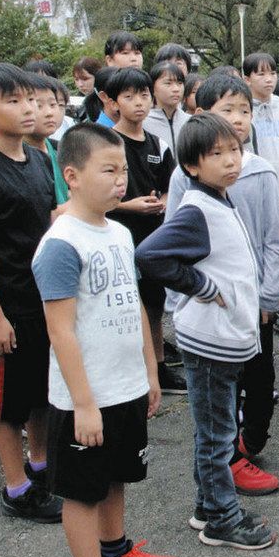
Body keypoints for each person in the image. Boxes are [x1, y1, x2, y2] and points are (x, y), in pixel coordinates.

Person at [31, 123, 177, 557]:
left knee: (117, 475)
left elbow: (135, 305)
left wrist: (150, 370)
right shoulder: (61, 243)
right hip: (83, 397)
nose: (121, 181)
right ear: (71, 175)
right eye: (109, 171)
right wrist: (84, 402)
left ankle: (115, 553)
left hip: (126, 386)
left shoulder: (117, 232)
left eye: (123, 170)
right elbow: (61, 330)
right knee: (83, 491)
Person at [135, 114, 275, 549]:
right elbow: (149, 254)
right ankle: (221, 518)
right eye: (216, 154)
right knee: (217, 434)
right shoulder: (198, 209)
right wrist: (199, 285)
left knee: (214, 428)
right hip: (209, 341)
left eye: (234, 149)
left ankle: (207, 506)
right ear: (192, 166)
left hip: (223, 336)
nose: (231, 160)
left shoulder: (219, 199)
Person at [167, 75, 279, 497]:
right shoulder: (192, 181)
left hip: (255, 302)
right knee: (218, 397)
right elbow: (167, 245)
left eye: (244, 111)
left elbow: (273, 239)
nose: (237, 120)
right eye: (226, 111)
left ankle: (245, 449)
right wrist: (191, 292)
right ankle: (223, 480)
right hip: (214, 310)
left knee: (259, 379)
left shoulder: (259, 173)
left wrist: (270, 295)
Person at [0, 63, 62, 522]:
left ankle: (40, 466)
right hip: (4, 306)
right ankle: (16, 487)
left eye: (31, 100)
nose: (29, 110)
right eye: (14, 101)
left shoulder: (39, 159)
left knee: (40, 390)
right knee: (6, 406)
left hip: (42, 298)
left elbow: (49, 221)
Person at [102, 68, 184, 396]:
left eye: (143, 95)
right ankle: (124, 373)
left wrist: (161, 203)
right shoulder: (107, 143)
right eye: (129, 96)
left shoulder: (157, 143)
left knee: (153, 304)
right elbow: (97, 196)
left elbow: (170, 186)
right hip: (117, 234)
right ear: (113, 103)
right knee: (120, 305)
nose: (138, 103)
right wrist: (129, 206)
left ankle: (159, 368)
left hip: (153, 236)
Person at [244, 51, 279, 219]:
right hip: (255, 193)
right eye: (261, 74)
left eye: (273, 73)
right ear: (247, 79)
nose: (269, 79)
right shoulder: (244, 112)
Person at [26, 74, 71, 207]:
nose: (50, 113)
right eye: (39, 106)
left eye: (53, 104)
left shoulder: (57, 149)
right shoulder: (19, 157)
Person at [143, 61, 189, 163]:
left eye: (180, 83)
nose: (176, 89)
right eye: (168, 83)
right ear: (152, 88)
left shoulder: (190, 121)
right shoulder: (143, 122)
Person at [72, 57, 105, 124]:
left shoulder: (107, 100)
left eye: (85, 79)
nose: (80, 84)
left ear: (98, 76)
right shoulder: (82, 102)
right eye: (76, 79)